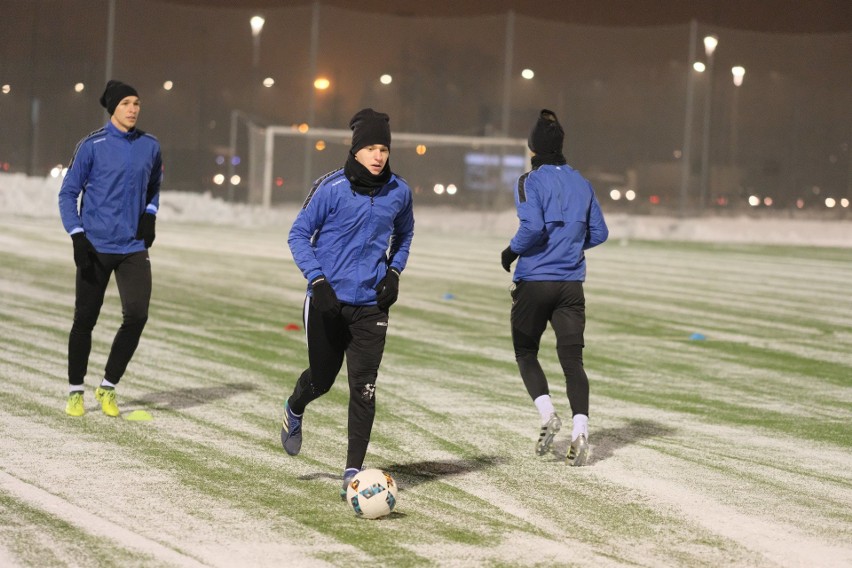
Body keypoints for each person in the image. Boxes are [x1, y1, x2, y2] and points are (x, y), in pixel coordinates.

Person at [281, 108, 415, 498]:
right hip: (327, 301)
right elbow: (297, 234)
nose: (378, 156)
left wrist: (394, 272)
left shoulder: (399, 192)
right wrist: (317, 280)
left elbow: (404, 235)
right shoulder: (331, 188)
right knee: (322, 380)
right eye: (371, 147)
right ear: (356, 150)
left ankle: (352, 472)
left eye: (384, 149)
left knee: (364, 387)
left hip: (371, 305)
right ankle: (294, 407)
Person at [501, 109, 608, 466]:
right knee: (573, 360)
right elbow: (600, 233)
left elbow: (531, 228)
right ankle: (580, 430)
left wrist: (510, 251)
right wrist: (570, 249)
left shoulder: (529, 181)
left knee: (525, 351)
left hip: (535, 282)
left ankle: (548, 415)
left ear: (533, 146)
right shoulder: (582, 183)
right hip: (570, 285)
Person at [58, 80, 162, 418]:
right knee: (85, 320)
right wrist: (77, 235)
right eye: (126, 103)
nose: (133, 109)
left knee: (137, 314)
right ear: (112, 108)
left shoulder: (150, 145)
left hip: (132, 247)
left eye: (136, 103)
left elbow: (155, 185)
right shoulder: (92, 145)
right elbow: (67, 193)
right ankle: (76, 392)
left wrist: (150, 213)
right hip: (96, 247)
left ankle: (108, 387)